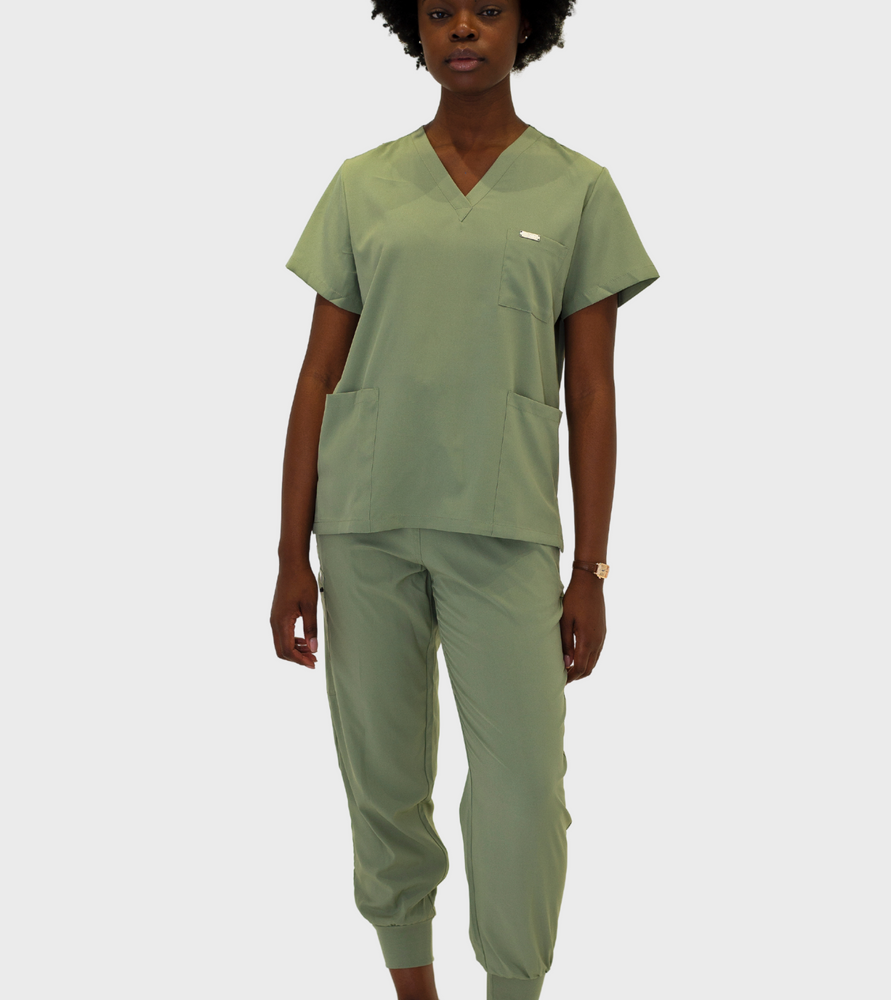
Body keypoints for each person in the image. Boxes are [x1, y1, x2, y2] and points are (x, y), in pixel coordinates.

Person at [270, 2, 659, 998]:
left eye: (487, 10)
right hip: (364, 522)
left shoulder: (578, 189)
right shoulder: (362, 184)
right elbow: (317, 374)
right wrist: (288, 554)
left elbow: (594, 391)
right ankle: (412, 985)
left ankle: (512, 986)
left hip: (505, 524)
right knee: (384, 779)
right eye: (441, 12)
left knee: (524, 785)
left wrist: (591, 566)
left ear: (528, 26)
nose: (463, 30)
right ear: (415, 29)